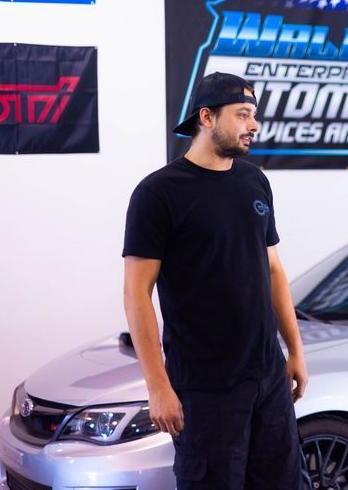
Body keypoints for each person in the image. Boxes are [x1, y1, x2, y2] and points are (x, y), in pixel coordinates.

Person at [122, 72, 307, 489]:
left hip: (267, 378)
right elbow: (136, 292)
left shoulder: (254, 180)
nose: (253, 126)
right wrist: (158, 386)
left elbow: (274, 269)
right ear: (206, 117)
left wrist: (294, 350)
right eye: (242, 115)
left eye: (253, 115)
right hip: (205, 389)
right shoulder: (158, 193)